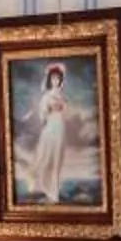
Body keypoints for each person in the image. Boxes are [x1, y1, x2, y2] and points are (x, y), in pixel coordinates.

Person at [23, 64, 76, 205]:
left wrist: (62, 108)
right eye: (53, 79)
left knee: (57, 159)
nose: (55, 81)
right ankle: (40, 185)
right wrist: (49, 110)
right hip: (51, 126)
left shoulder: (63, 96)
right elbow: (42, 113)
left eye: (58, 79)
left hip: (60, 127)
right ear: (50, 80)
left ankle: (54, 193)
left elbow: (68, 113)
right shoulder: (47, 96)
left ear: (60, 80)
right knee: (46, 156)